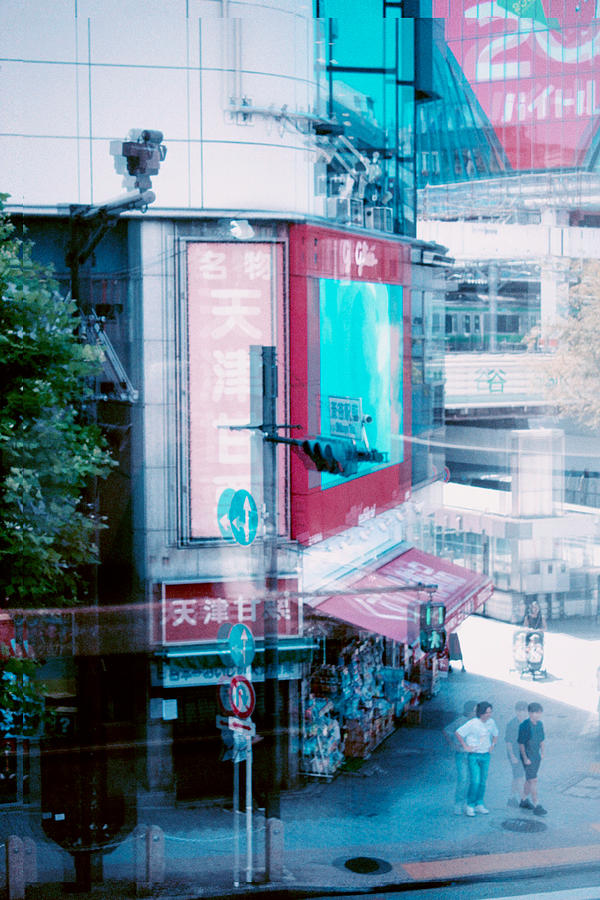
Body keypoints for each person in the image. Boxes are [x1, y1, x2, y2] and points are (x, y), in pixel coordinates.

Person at [456, 701, 499, 817]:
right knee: (475, 780)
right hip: (474, 756)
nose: (489, 715)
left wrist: (492, 746)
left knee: (483, 781)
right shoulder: (472, 723)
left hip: (485, 755)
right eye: (487, 713)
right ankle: (470, 805)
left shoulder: (491, 722)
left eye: (490, 712)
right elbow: (458, 733)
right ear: (480, 713)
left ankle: (479, 803)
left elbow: (495, 734)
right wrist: (466, 747)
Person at [443, 700, 477, 815]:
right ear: (469, 711)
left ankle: (468, 804)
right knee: (463, 780)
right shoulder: (460, 721)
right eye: (475, 710)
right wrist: (452, 744)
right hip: (462, 755)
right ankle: (458, 804)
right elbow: (446, 730)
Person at [518, 701, 547, 816]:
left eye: (539, 713)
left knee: (529, 779)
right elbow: (521, 744)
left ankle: (524, 800)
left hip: (536, 756)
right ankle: (536, 804)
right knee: (533, 780)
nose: (537, 715)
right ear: (529, 713)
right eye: (534, 713)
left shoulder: (540, 724)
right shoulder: (524, 726)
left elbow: (542, 740)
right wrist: (525, 758)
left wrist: (543, 752)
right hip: (528, 756)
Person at [504, 701, 528, 806]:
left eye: (523, 710)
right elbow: (508, 741)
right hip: (514, 754)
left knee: (516, 776)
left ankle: (511, 798)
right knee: (520, 777)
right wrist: (512, 756)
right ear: (515, 711)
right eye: (519, 711)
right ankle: (524, 800)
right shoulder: (512, 724)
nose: (521, 713)